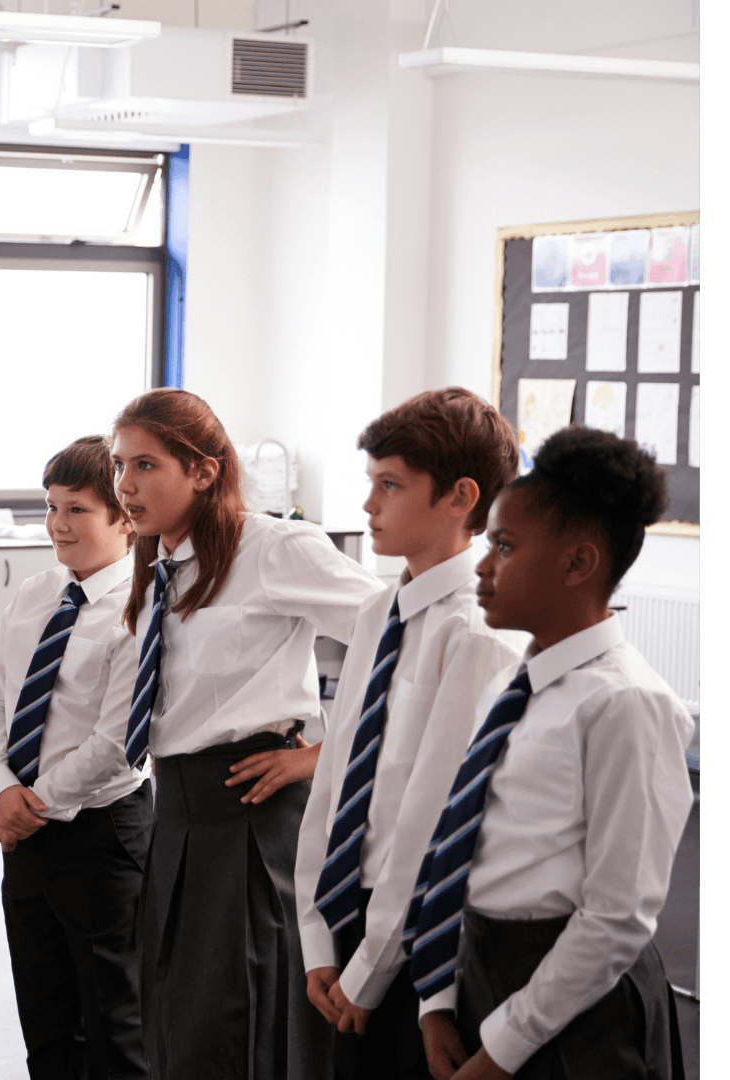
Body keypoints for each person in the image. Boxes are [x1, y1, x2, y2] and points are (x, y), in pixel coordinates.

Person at [109, 388, 383, 1080]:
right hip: (174, 816)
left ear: (202, 471)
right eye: (120, 466)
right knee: (178, 1020)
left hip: (249, 813)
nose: (126, 485)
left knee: (246, 1025)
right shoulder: (157, 562)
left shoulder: (271, 547)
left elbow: (399, 638)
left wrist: (326, 756)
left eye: (146, 466)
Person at [409, 426, 691, 1080]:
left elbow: (617, 917)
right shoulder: (516, 683)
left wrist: (504, 1048)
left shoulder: (626, 704)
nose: (482, 566)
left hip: (579, 1009)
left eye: (503, 547)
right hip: (485, 969)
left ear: (577, 564)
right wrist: (438, 997)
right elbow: (463, 845)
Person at [294, 389, 522, 1078]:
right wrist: (316, 934)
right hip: (349, 916)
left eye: (390, 486)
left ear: (460, 497)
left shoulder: (477, 631)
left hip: (419, 934)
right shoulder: (378, 613)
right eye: (371, 483)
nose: (369, 506)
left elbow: (432, 818)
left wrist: (371, 966)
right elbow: (335, 779)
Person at [0, 436, 151, 1080]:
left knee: (114, 1026)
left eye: (76, 509)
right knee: (44, 1020)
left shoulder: (142, 606)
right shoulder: (36, 591)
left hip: (101, 839)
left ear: (123, 516)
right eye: (51, 507)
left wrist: (32, 803)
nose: (56, 525)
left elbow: (117, 744)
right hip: (23, 831)